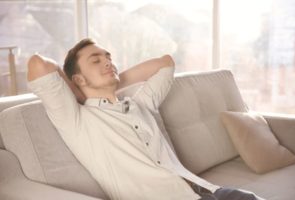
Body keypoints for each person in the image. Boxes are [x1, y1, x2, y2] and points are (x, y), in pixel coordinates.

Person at [27, 38, 264, 200]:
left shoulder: (140, 105)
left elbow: (166, 64)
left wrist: (115, 80)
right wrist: (79, 93)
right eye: (95, 60)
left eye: (108, 57)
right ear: (78, 79)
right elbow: (37, 64)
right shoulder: (77, 119)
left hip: (208, 191)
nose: (107, 62)